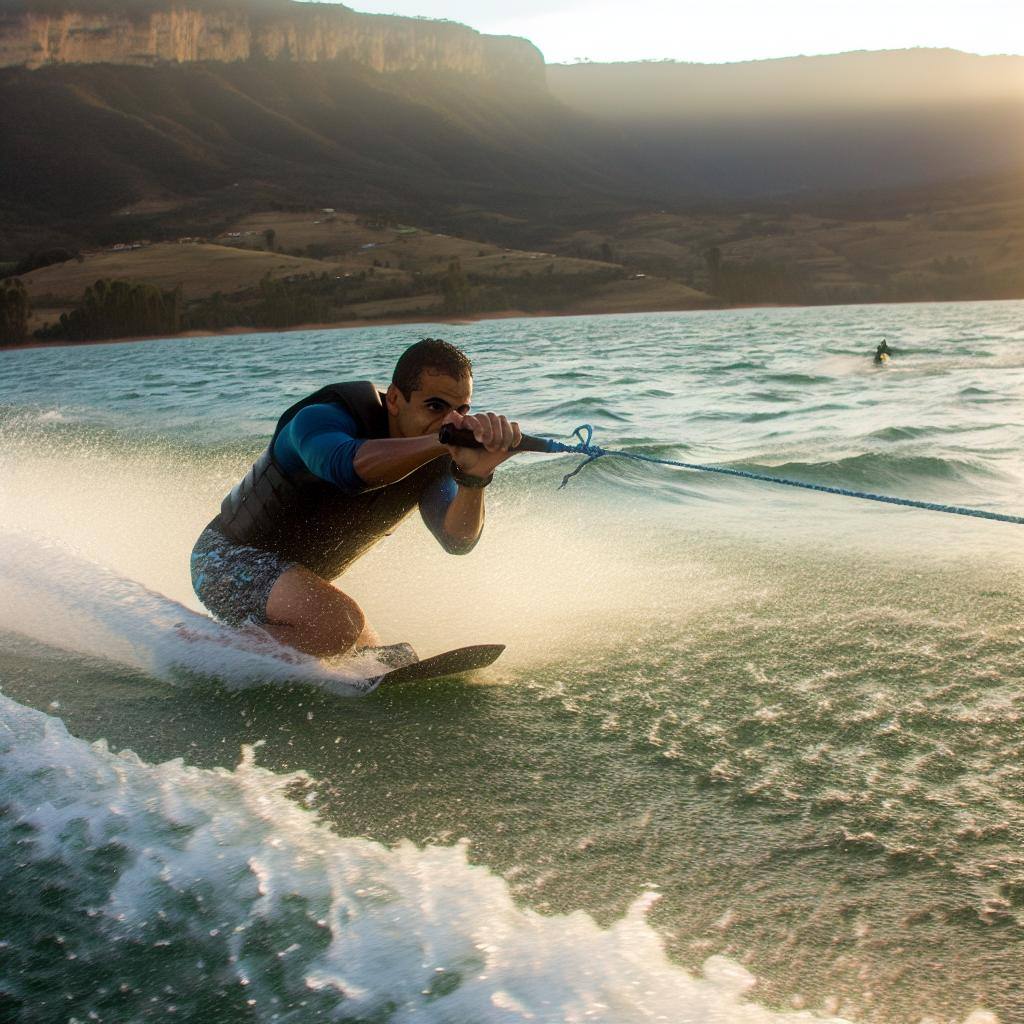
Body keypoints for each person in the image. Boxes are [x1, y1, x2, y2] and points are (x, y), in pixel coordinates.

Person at [190, 338, 520, 658]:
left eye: (461, 410)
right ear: (393, 399)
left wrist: (474, 479)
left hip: (290, 584)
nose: (452, 421)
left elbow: (456, 540)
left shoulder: (435, 458)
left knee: (383, 658)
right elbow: (345, 467)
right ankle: (195, 647)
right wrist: (441, 441)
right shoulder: (320, 419)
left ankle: (242, 644)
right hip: (223, 562)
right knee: (340, 626)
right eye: (435, 406)